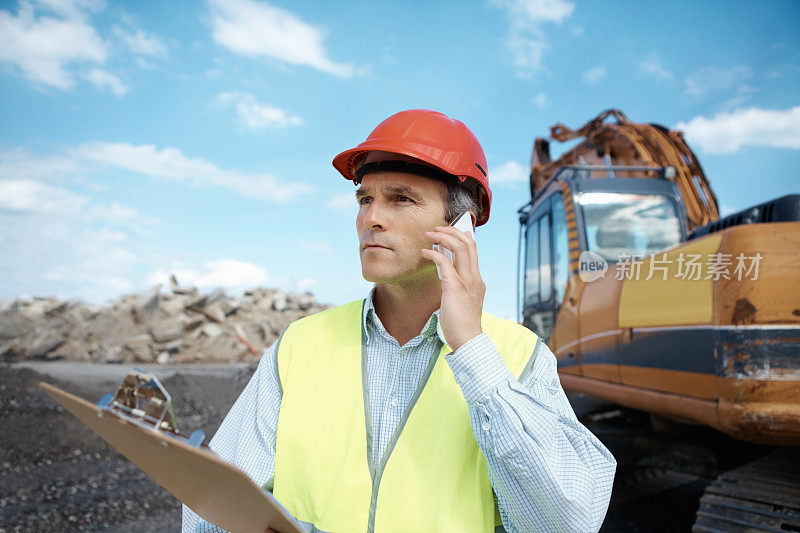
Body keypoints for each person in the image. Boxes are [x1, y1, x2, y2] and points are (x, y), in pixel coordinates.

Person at [182, 109, 616, 532]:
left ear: (461, 226)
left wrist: (471, 348)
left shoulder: (519, 357)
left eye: (401, 199)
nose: (371, 218)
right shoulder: (300, 344)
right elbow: (210, 511)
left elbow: (566, 522)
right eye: (365, 199)